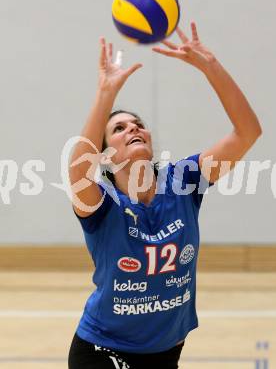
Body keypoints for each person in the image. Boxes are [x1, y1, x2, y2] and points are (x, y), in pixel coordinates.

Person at [68, 22, 262, 369]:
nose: (133, 128)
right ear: (105, 156)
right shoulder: (100, 204)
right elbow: (78, 168)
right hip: (102, 348)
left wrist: (210, 66)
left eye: (137, 124)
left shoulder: (183, 182)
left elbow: (248, 132)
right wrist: (106, 94)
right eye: (119, 128)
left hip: (166, 351)